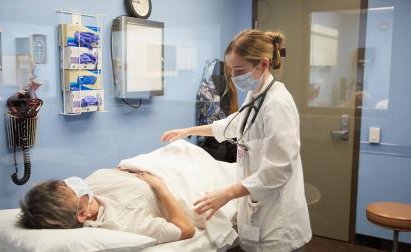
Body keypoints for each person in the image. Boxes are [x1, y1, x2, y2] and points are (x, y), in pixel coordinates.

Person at [161, 29, 312, 252]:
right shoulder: (255, 97)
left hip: (279, 224)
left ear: (262, 64)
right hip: (256, 213)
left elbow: (279, 169)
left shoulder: (277, 104)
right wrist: (188, 130)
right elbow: (230, 125)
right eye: (231, 70)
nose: (233, 77)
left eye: (239, 70)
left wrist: (228, 193)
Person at [18, 168, 195, 244]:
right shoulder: (127, 223)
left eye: (65, 183)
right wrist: (160, 187)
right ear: (83, 215)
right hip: (181, 183)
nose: (74, 183)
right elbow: (186, 230)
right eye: (71, 190)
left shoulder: (92, 187)